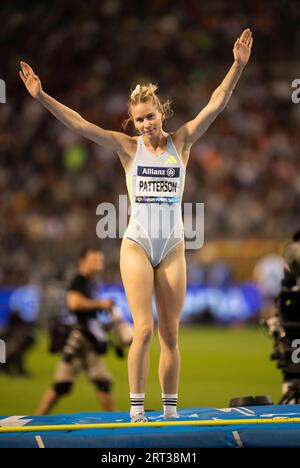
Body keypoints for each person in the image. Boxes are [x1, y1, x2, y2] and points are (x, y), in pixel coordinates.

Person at [20, 28, 253, 422]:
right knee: (143, 330)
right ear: (132, 123)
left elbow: (217, 103)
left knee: (171, 335)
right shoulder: (129, 149)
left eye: (150, 116)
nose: (145, 124)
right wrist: (42, 97)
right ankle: (136, 411)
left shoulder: (183, 142)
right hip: (138, 244)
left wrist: (237, 66)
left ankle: (170, 412)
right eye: (139, 120)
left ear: (162, 112)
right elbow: (79, 125)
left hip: (174, 245)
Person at [36, 248, 116, 415]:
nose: (98, 263)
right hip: (79, 339)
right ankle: (115, 423)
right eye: (94, 260)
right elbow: (74, 303)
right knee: (94, 382)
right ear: (82, 261)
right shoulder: (78, 281)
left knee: (67, 384)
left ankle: (36, 418)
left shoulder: (90, 282)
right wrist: (99, 304)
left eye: (99, 260)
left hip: (84, 338)